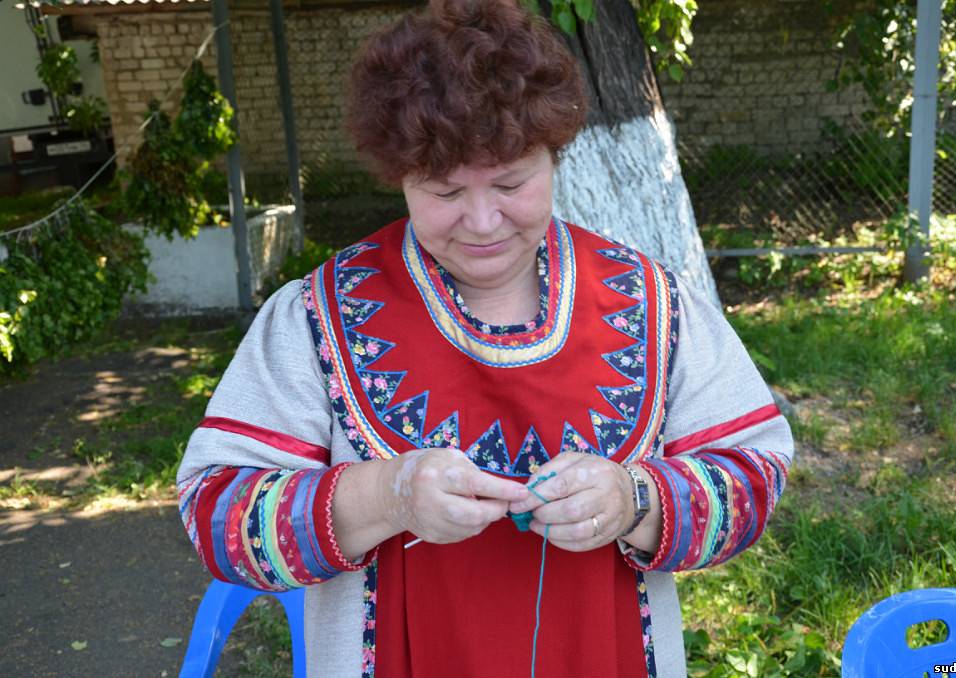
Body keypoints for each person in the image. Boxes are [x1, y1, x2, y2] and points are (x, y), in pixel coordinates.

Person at [176, 1, 794, 676]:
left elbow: (753, 477)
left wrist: (634, 499)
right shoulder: (316, 316)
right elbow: (216, 516)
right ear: (399, 176)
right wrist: (388, 495)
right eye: (444, 192)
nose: (481, 221)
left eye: (510, 182)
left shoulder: (651, 304)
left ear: (554, 156)